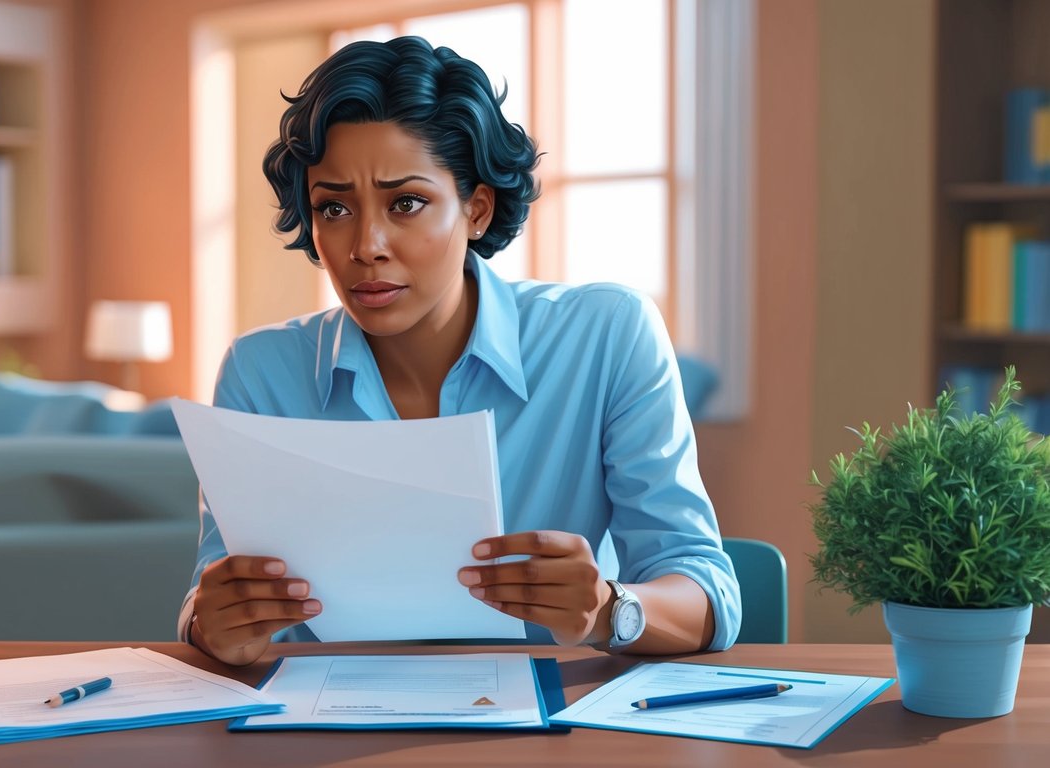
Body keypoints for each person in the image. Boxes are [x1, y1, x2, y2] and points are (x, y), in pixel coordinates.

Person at [179, 36, 741, 667]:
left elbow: (706, 590)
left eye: (406, 203)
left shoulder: (607, 335)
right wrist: (215, 626)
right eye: (333, 207)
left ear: (476, 208)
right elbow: (215, 602)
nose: (366, 244)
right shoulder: (260, 373)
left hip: (549, 733)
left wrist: (609, 608)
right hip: (319, 733)